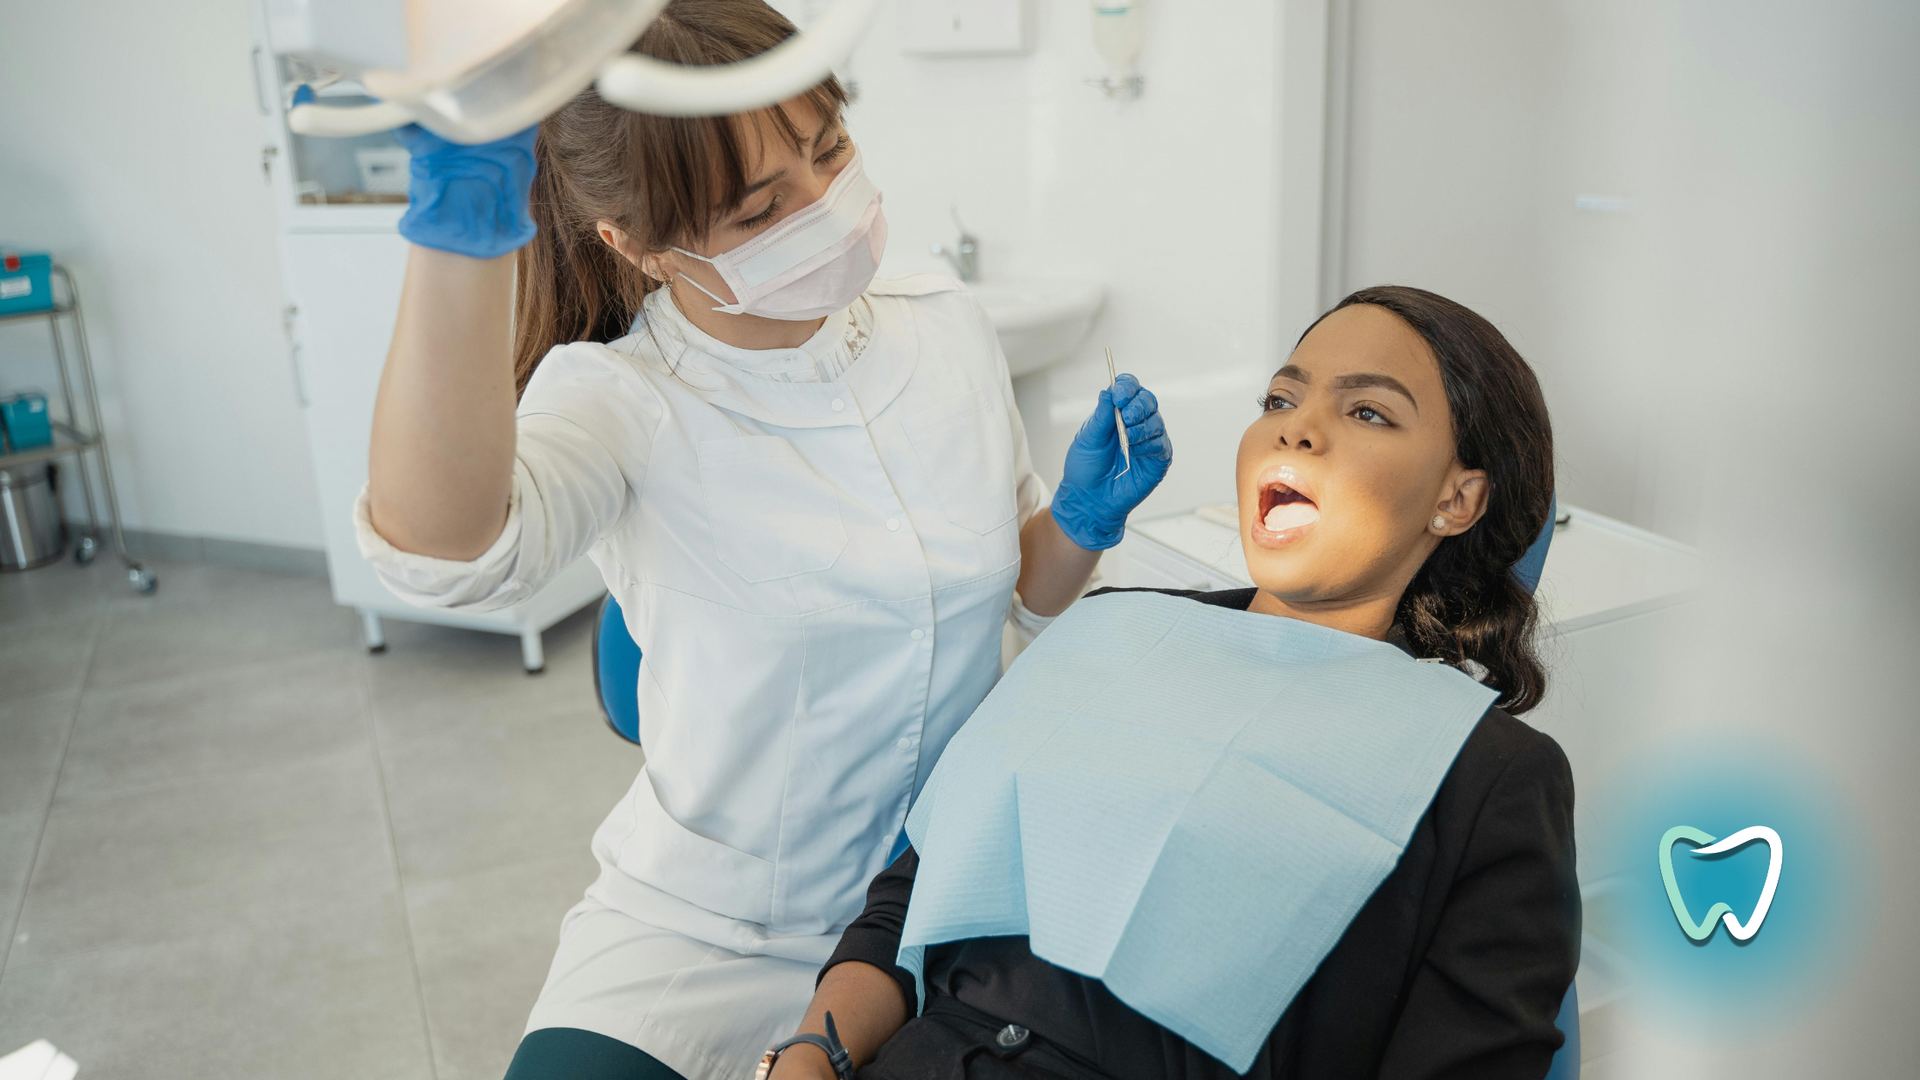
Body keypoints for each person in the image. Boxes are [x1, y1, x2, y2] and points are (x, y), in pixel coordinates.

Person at [352, 2, 1171, 1078]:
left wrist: (1072, 528)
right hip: (705, 932)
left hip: (941, 904)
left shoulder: (942, 323)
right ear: (635, 244)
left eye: (830, 150)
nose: (828, 207)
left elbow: (1019, 593)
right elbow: (444, 548)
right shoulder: (619, 402)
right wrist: (457, 238)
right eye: (759, 210)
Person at [764, 286, 1577, 1080]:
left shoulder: (1487, 776)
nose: (1298, 430)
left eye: (1367, 411)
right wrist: (809, 1058)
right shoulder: (1113, 628)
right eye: (1280, 399)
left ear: (1456, 497)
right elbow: (911, 897)